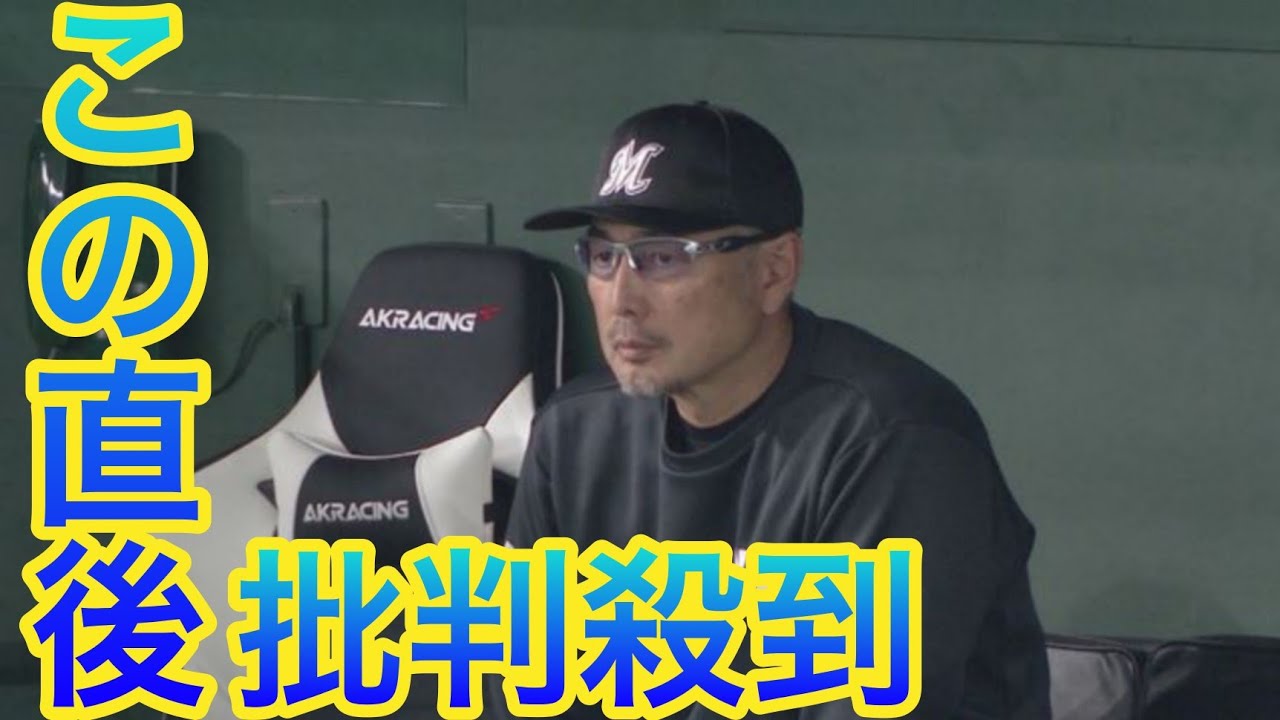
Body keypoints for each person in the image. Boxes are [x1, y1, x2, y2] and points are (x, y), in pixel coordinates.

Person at [506, 101, 1050, 718]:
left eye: (662, 257)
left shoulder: (894, 441)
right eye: (603, 256)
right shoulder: (573, 433)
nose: (621, 298)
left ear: (774, 271)